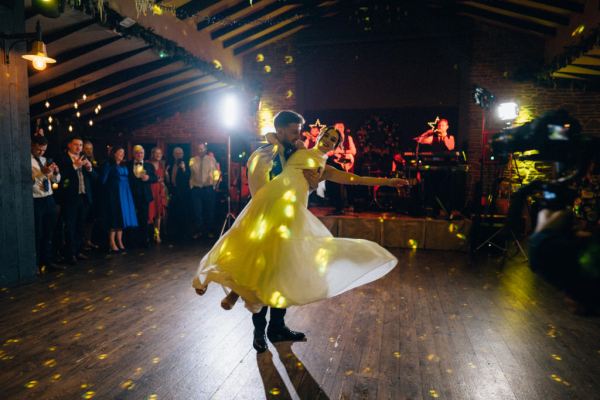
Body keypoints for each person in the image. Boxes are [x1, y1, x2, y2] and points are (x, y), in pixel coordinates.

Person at [193, 119, 407, 353]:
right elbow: (271, 138)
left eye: (333, 140)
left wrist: (388, 181)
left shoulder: (325, 169)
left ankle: (276, 327)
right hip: (271, 203)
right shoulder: (298, 148)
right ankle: (257, 328)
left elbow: (356, 179)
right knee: (260, 257)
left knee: (284, 268)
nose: (328, 141)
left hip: (293, 215)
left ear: (336, 146)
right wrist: (278, 140)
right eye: (326, 136)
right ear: (318, 135)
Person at [56, 136, 96, 265]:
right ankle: (69, 254)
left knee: (80, 226)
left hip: (84, 196)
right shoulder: (62, 158)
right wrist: (74, 166)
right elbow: (59, 177)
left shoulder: (85, 158)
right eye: (76, 144)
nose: (79, 147)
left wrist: (89, 168)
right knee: (70, 226)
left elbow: (96, 178)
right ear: (69, 145)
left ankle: (78, 251)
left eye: (80, 145)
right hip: (70, 198)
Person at [31, 136, 62, 272]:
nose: (41, 153)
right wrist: (40, 173)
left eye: (44, 150)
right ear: (32, 146)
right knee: (38, 232)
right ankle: (36, 264)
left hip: (49, 198)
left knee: (49, 232)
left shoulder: (46, 160)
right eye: (39, 149)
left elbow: (56, 180)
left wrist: (56, 172)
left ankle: (47, 261)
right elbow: (26, 180)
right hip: (35, 199)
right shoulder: (25, 160)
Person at [100, 146, 138, 253]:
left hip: (125, 193)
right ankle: (112, 242)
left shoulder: (123, 164)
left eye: (123, 153)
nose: (122, 154)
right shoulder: (109, 164)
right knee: (115, 217)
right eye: (120, 152)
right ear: (114, 153)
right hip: (114, 193)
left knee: (122, 217)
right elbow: (103, 180)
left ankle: (120, 241)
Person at [128, 145, 157, 248]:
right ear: (133, 154)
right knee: (131, 218)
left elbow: (155, 178)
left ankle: (144, 240)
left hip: (144, 196)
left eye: (141, 153)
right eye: (137, 153)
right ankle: (132, 241)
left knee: (144, 219)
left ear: (144, 154)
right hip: (131, 196)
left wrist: (148, 178)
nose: (139, 155)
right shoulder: (128, 164)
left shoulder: (149, 166)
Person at [189, 143, 219, 239]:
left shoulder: (211, 159)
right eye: (199, 149)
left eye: (202, 149)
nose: (200, 150)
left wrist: (214, 184)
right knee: (198, 212)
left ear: (205, 149)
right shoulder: (192, 160)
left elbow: (216, 172)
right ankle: (199, 231)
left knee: (209, 211)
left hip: (208, 188)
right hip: (196, 188)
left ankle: (209, 231)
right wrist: (191, 185)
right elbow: (190, 173)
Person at [327, 122, 357, 215]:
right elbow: (328, 152)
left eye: (341, 127)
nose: (340, 128)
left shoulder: (348, 138)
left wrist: (342, 151)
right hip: (335, 163)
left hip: (347, 164)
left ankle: (351, 204)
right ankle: (338, 206)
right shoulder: (331, 138)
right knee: (335, 185)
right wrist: (333, 152)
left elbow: (354, 151)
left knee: (349, 183)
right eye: (338, 127)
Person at [166, 147, 192, 241]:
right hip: (173, 191)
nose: (178, 155)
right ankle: (174, 234)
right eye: (176, 153)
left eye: (180, 153)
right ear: (173, 154)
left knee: (184, 212)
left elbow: (188, 177)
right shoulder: (170, 164)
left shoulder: (187, 164)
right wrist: (166, 172)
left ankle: (184, 234)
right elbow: (168, 179)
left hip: (184, 192)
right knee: (174, 212)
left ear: (183, 154)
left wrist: (184, 168)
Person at [148, 147, 167, 244]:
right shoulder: (147, 163)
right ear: (152, 154)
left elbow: (162, 178)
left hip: (159, 190)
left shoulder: (161, 165)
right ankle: (148, 235)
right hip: (150, 190)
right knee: (150, 214)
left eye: (160, 153)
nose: (158, 155)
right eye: (156, 153)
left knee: (158, 215)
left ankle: (157, 234)